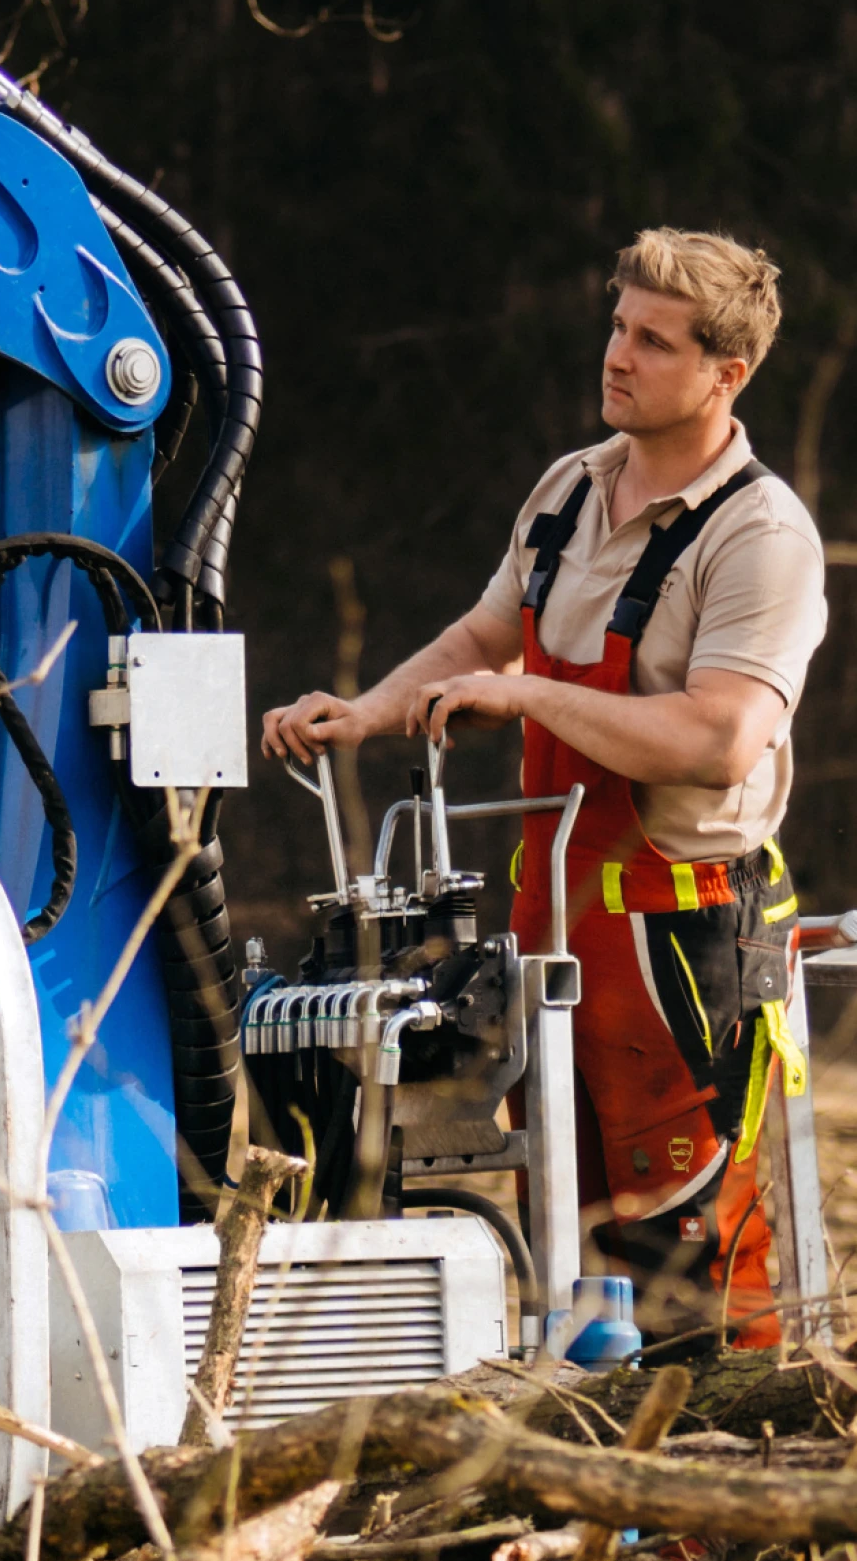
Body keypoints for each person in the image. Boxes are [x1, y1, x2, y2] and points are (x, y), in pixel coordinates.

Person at [262, 228, 827, 1348]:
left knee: (681, 1248)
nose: (615, 356)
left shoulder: (760, 535)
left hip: (679, 938)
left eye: (653, 342)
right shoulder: (568, 489)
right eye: (616, 327)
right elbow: (487, 634)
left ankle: (719, 1503)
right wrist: (364, 714)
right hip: (548, 925)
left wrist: (529, 701)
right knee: (563, 1235)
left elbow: (719, 738)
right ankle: (590, 1502)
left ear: (728, 373)